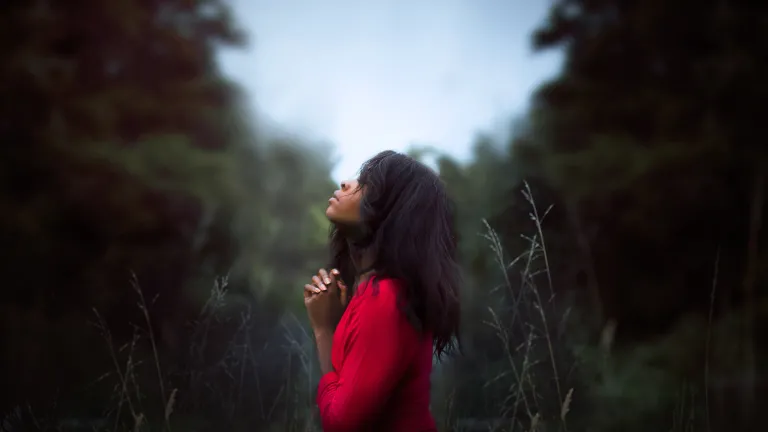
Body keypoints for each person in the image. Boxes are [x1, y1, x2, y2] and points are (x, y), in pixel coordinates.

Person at [303, 150, 461, 431]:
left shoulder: (386, 300)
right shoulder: (374, 295)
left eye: (367, 186)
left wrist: (323, 330)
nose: (346, 184)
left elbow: (342, 423)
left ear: (393, 213)